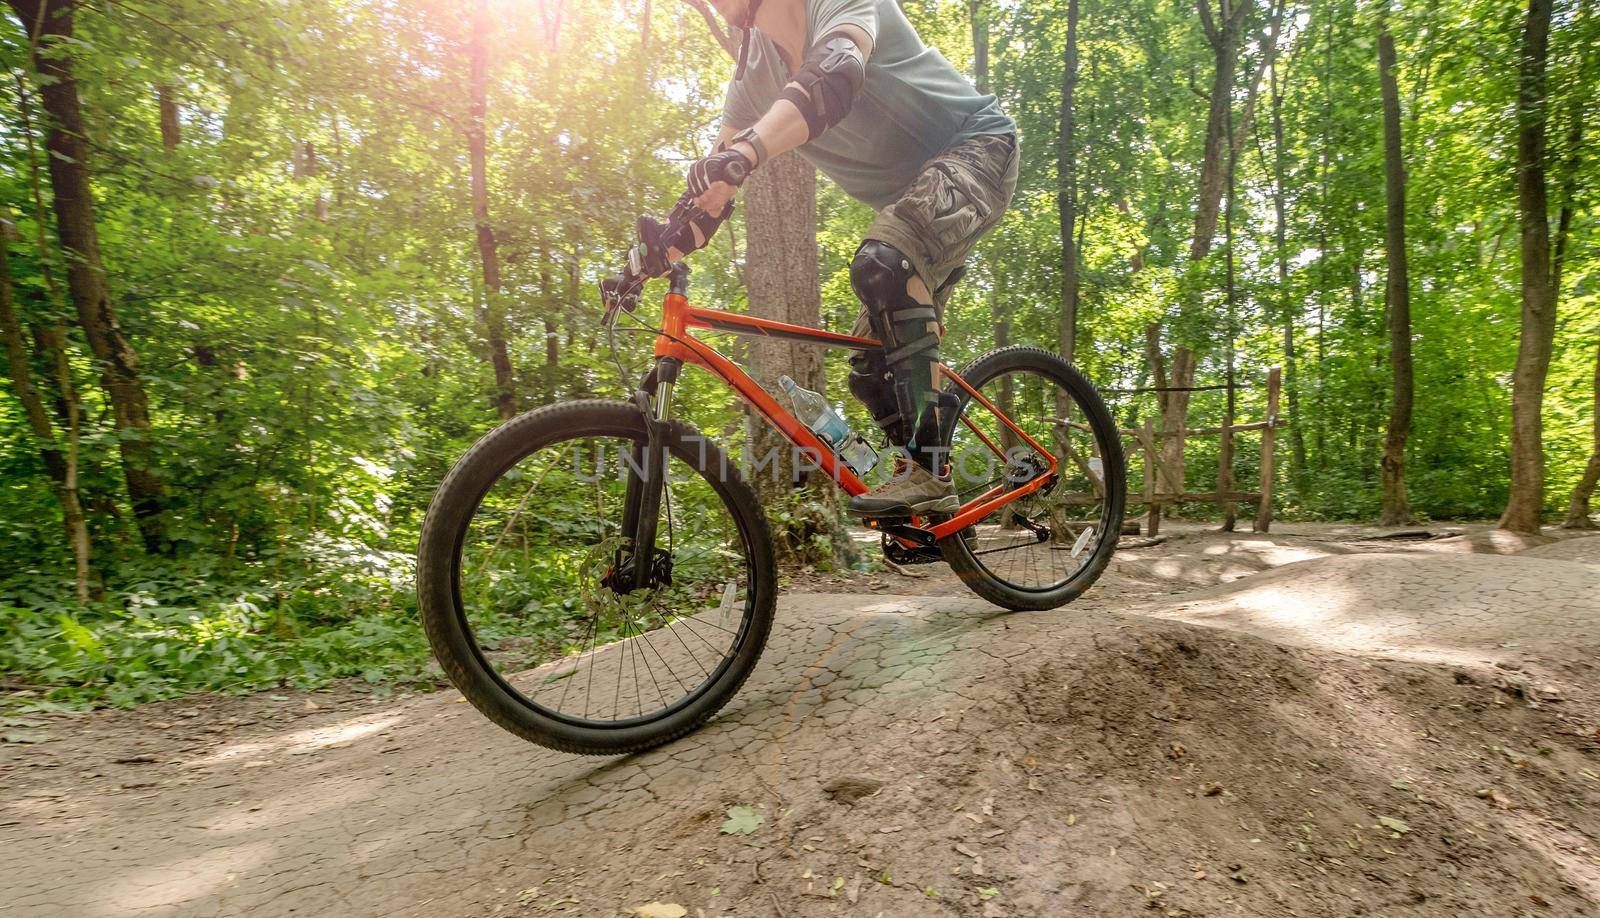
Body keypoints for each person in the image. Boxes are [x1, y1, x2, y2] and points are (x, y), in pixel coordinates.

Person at [670, 0, 1018, 518]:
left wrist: (747, 153)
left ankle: (930, 473)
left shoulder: (840, 5)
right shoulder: (752, 76)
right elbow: (711, 191)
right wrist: (657, 248)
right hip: (913, 197)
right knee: (870, 368)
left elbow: (834, 73)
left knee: (882, 265)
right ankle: (938, 511)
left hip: (978, 147)